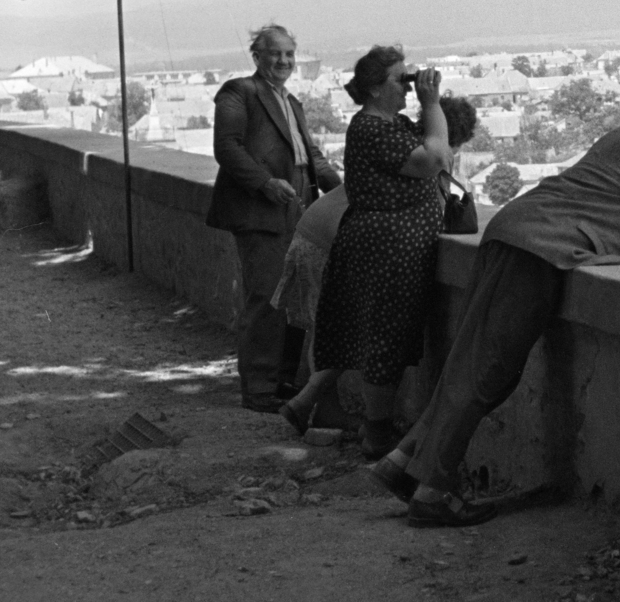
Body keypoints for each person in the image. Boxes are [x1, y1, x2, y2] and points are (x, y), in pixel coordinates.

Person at [369, 78, 620, 528]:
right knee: (488, 372)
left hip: (519, 232)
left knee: (469, 364)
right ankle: (433, 490)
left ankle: (400, 463)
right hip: (538, 245)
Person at [278, 47, 460, 457]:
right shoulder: (371, 129)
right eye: (400, 80)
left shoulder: (389, 124)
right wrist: (431, 102)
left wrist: (431, 107)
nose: (408, 87)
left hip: (385, 248)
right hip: (386, 254)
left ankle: (308, 407)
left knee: (364, 334)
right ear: (376, 89)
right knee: (384, 340)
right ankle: (376, 435)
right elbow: (435, 159)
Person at [270, 95, 481, 410]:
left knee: (342, 331)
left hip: (319, 231)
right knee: (339, 333)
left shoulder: (404, 142)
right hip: (331, 241)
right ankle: (320, 416)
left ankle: (308, 407)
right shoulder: (433, 157)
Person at [205, 24, 342, 413]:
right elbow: (226, 148)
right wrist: (265, 183)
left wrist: (346, 192)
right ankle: (259, 390)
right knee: (266, 296)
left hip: (299, 201)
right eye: (275, 54)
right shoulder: (238, 92)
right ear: (257, 57)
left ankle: (284, 382)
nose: (283, 61)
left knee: (296, 297)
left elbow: (312, 157)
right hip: (259, 205)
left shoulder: (292, 102)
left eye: (288, 54)